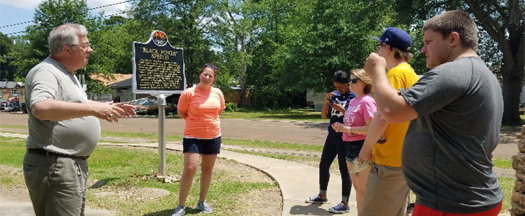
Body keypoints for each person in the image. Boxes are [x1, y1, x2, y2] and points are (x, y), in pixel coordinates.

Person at [364, 10, 503, 215]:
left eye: (429, 41)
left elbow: (391, 111)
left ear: (453, 39)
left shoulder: (454, 72)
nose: (422, 49)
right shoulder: (484, 74)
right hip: (470, 199)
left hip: (450, 203)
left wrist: (376, 69)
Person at [23, 23, 136, 216]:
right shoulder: (46, 72)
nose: (90, 50)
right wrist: (92, 108)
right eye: (85, 46)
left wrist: (106, 107)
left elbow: (75, 102)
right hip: (55, 164)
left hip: (66, 164)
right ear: (67, 49)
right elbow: (40, 107)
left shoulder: (66, 73)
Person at [358, 27, 419, 216]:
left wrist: (365, 151)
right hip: (404, 161)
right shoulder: (411, 74)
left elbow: (382, 116)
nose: (377, 50)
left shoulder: (393, 75)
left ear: (388, 48)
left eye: (379, 45)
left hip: (388, 164)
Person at [172, 63, 225, 216]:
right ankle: (181, 205)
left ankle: (201, 202)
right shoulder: (188, 93)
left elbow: (219, 110)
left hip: (213, 136)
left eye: (211, 76)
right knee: (190, 168)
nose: (207, 78)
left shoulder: (217, 93)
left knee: (207, 170)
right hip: (193, 136)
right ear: (200, 75)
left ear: (213, 79)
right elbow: (181, 113)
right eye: (205, 74)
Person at [305, 70, 355, 214]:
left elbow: (354, 117)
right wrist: (327, 101)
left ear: (348, 83)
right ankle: (322, 195)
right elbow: (323, 116)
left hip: (344, 137)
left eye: (341, 87)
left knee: (344, 170)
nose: (338, 90)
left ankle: (345, 203)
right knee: (323, 165)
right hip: (332, 135)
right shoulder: (334, 95)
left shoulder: (353, 97)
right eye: (336, 87)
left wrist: (341, 108)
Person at [332, 69, 376, 215]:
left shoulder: (367, 101)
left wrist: (348, 129)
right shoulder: (353, 101)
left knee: (364, 190)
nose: (350, 83)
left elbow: (371, 128)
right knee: (358, 189)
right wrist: (341, 128)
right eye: (350, 80)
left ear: (363, 83)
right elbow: (351, 126)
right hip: (349, 147)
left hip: (361, 148)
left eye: (353, 80)